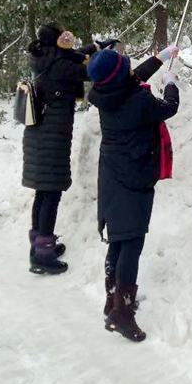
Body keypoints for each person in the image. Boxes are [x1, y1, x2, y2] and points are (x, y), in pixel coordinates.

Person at [87, 44, 180, 343]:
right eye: (125, 65)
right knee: (132, 244)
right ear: (117, 76)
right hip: (134, 177)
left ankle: (112, 300)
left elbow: (133, 75)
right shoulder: (138, 101)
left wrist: (162, 57)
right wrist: (171, 84)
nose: (131, 68)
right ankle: (122, 314)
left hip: (113, 176)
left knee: (118, 239)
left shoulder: (108, 94)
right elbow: (168, 108)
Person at [23, 24, 114, 275]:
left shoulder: (45, 57)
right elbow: (91, 70)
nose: (68, 38)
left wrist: (96, 46)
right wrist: (109, 59)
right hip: (51, 138)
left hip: (40, 136)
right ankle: (43, 257)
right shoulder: (61, 67)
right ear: (58, 41)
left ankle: (39, 245)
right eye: (63, 35)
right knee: (50, 194)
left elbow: (73, 54)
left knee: (43, 193)